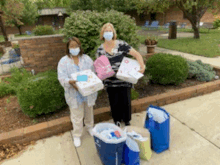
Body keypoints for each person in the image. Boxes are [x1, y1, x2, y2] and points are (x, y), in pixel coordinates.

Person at [96, 23, 145, 127]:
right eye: (106, 31)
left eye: (110, 31)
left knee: (125, 101)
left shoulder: (121, 44)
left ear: (113, 33)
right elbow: (100, 67)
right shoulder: (100, 49)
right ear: (102, 34)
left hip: (124, 79)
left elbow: (136, 54)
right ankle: (117, 120)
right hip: (110, 81)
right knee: (114, 102)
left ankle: (127, 120)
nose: (108, 33)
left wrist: (142, 66)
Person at [57, 37, 98, 147]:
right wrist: (70, 82)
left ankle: (90, 127)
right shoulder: (63, 61)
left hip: (88, 92)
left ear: (80, 46)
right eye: (72, 46)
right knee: (76, 116)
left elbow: (93, 73)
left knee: (89, 112)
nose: (74, 48)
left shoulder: (87, 59)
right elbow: (61, 77)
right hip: (74, 94)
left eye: (76, 46)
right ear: (68, 48)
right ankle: (77, 135)